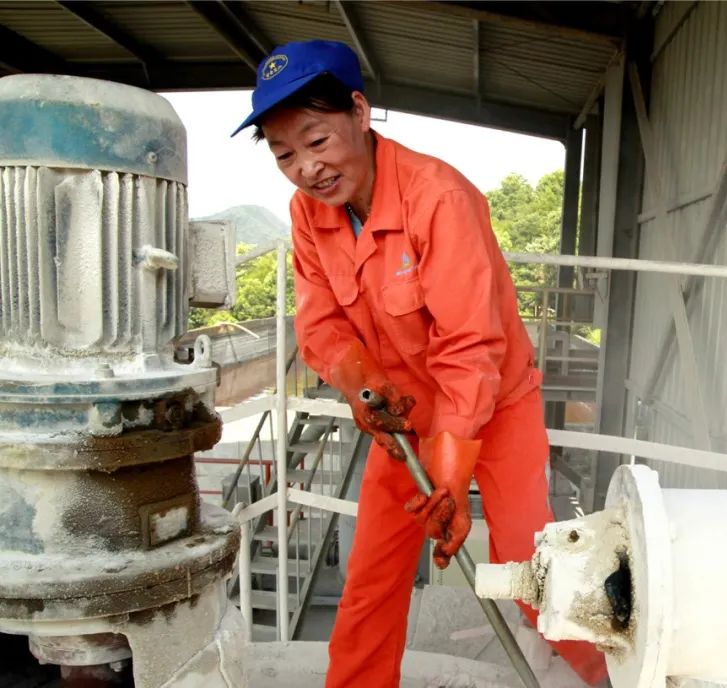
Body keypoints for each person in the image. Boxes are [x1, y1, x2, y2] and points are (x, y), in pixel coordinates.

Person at [232, 40, 608, 687]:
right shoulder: (307, 214)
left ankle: (609, 676)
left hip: (497, 403)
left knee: (532, 569)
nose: (307, 169)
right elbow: (320, 323)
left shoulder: (439, 197)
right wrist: (364, 387)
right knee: (371, 581)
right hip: (403, 415)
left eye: (317, 141)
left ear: (359, 112)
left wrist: (452, 471)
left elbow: (470, 346)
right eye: (285, 154)